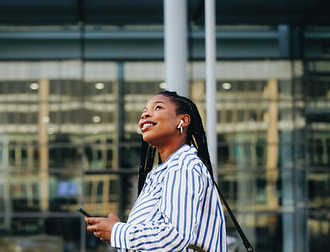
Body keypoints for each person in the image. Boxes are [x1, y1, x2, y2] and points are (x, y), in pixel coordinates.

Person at [85, 91, 228, 252]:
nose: (145, 115)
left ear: (183, 120)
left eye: (158, 107)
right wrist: (117, 233)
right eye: (144, 112)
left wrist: (118, 232)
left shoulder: (183, 166)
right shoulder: (160, 173)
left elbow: (175, 236)